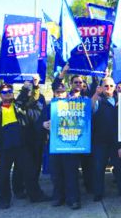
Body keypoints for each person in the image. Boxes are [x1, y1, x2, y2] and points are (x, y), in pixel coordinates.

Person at [0, 83, 45, 209]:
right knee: (3, 175)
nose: (8, 93)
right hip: (4, 149)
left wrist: (32, 85)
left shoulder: (19, 105)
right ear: (0, 95)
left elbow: (26, 96)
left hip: (21, 147)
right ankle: (4, 199)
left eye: (10, 91)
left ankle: (35, 195)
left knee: (30, 172)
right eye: (4, 92)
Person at [40, 80, 82, 209]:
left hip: (70, 145)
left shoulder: (74, 105)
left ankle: (73, 199)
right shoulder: (48, 107)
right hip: (54, 146)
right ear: (54, 93)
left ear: (66, 93)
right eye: (57, 92)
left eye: (62, 92)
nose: (60, 94)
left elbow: (82, 121)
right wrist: (43, 124)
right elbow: (39, 122)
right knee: (56, 173)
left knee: (71, 173)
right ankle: (58, 197)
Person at [90, 77, 121, 204]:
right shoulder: (98, 100)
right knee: (98, 168)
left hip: (116, 141)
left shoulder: (120, 100)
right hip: (100, 141)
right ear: (101, 87)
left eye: (111, 86)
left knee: (119, 167)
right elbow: (90, 108)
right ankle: (98, 193)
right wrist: (96, 93)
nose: (109, 88)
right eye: (106, 86)